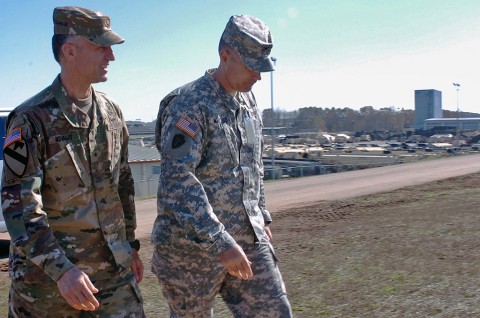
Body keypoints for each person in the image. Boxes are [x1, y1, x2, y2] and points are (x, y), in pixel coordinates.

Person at [1, 6, 145, 317]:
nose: (111, 57)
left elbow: (123, 187)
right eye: (101, 47)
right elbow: (19, 206)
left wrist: (130, 246)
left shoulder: (112, 114)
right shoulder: (31, 120)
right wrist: (62, 271)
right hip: (49, 286)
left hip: (113, 274)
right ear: (69, 51)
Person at [152, 15, 293, 317]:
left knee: (275, 312)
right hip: (191, 253)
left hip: (247, 242)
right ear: (225, 56)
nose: (259, 76)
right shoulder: (189, 103)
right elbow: (178, 180)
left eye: (263, 67)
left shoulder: (249, 102)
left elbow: (253, 166)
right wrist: (220, 241)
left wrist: (262, 216)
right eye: (252, 66)